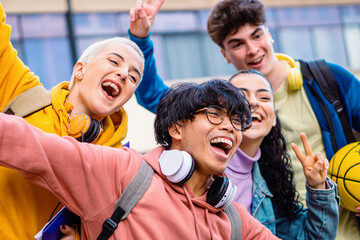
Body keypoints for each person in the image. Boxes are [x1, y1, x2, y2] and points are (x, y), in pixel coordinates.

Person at [128, 0, 360, 238]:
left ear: (269, 34)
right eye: (237, 44)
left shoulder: (327, 80)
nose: (251, 49)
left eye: (256, 35)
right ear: (224, 54)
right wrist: (139, 39)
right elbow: (158, 96)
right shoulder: (217, 111)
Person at [0, 79, 281, 240]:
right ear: (176, 128)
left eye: (235, 120)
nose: (230, 127)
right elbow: (28, 143)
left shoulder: (234, 220)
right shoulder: (123, 173)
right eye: (215, 114)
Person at [0, 3, 144, 239]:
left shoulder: (121, 167)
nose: (123, 74)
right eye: (114, 62)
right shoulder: (22, 92)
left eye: (133, 77)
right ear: (80, 69)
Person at [227, 69, 339, 239]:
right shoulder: (196, 166)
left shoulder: (270, 188)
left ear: (273, 119)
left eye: (264, 97)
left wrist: (318, 187)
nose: (252, 102)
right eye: (240, 96)